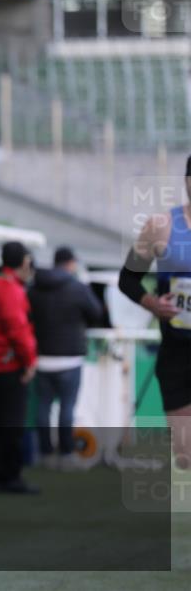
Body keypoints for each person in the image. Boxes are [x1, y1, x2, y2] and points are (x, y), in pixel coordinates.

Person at [118, 153, 191, 469]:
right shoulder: (160, 225)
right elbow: (127, 278)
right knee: (186, 456)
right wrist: (151, 303)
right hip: (177, 354)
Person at [28, 246, 104, 470]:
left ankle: (44, 454)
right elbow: (96, 313)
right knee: (67, 408)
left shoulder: (33, 289)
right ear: (70, 263)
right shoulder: (77, 288)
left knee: (42, 407)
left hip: (41, 358)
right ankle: (67, 453)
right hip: (70, 358)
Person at [0, 241, 39, 494]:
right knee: (12, 424)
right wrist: (29, 362)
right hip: (11, 365)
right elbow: (19, 330)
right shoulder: (11, 291)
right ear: (24, 262)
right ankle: (10, 477)